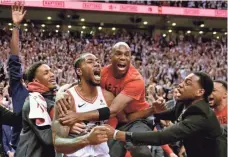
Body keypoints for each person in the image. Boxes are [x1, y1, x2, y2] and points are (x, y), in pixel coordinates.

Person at [57, 42, 166, 157]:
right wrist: (60, 93)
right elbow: (82, 83)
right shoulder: (103, 73)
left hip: (137, 119)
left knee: (139, 148)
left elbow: (113, 110)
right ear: (111, 56)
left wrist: (78, 116)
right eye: (118, 54)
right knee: (109, 152)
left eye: (127, 54)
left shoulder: (135, 80)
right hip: (117, 119)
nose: (123, 57)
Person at [104, 72, 225, 157]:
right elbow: (169, 114)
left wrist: (118, 134)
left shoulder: (200, 116)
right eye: (183, 81)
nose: (181, 84)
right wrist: (153, 111)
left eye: (187, 83)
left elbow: (161, 137)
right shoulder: (184, 103)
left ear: (200, 92)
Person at [52, 53, 118, 157]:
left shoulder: (108, 97)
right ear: (79, 71)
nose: (96, 64)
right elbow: (58, 144)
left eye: (97, 61)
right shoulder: (67, 99)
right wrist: (86, 139)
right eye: (90, 61)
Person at [15, 61, 57, 157]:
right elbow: (48, 138)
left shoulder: (53, 98)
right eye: (46, 73)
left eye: (51, 71)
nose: (52, 75)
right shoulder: (34, 102)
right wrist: (69, 124)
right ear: (36, 81)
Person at [8, 1, 29, 149]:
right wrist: (16, 27)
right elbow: (14, 61)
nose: (52, 75)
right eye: (46, 72)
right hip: (20, 149)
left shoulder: (51, 97)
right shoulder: (21, 92)